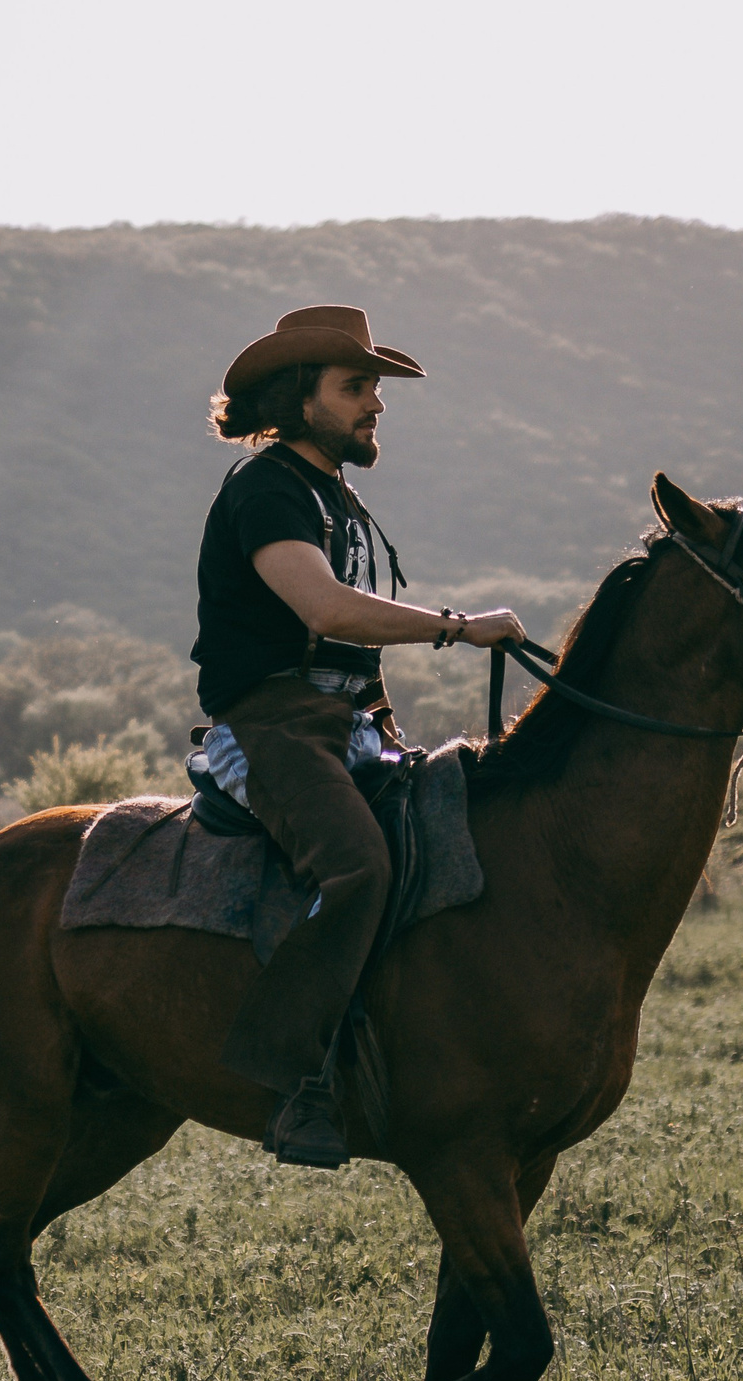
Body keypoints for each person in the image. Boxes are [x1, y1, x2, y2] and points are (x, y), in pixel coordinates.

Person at [194, 305, 526, 1167]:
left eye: (375, 386)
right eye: (356, 387)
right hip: (271, 727)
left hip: (346, 726)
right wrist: (459, 628)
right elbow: (326, 610)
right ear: (301, 398)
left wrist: (386, 724)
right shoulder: (266, 489)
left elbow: (351, 647)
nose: (376, 403)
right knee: (359, 868)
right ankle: (299, 1083)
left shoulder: (333, 496)